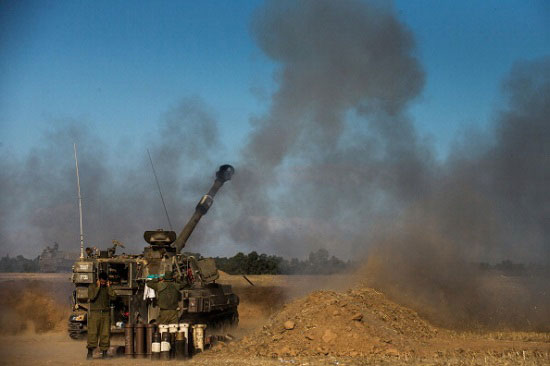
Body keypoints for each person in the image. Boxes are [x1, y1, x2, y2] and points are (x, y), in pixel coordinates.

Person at [86, 272, 115, 360]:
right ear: (98, 280)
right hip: (95, 313)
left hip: (105, 313)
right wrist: (98, 287)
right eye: (101, 281)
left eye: (104, 282)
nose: (103, 283)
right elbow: (91, 297)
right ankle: (90, 352)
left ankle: (104, 353)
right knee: (93, 333)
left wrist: (109, 287)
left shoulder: (107, 288)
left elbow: (114, 297)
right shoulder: (92, 287)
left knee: (105, 333)